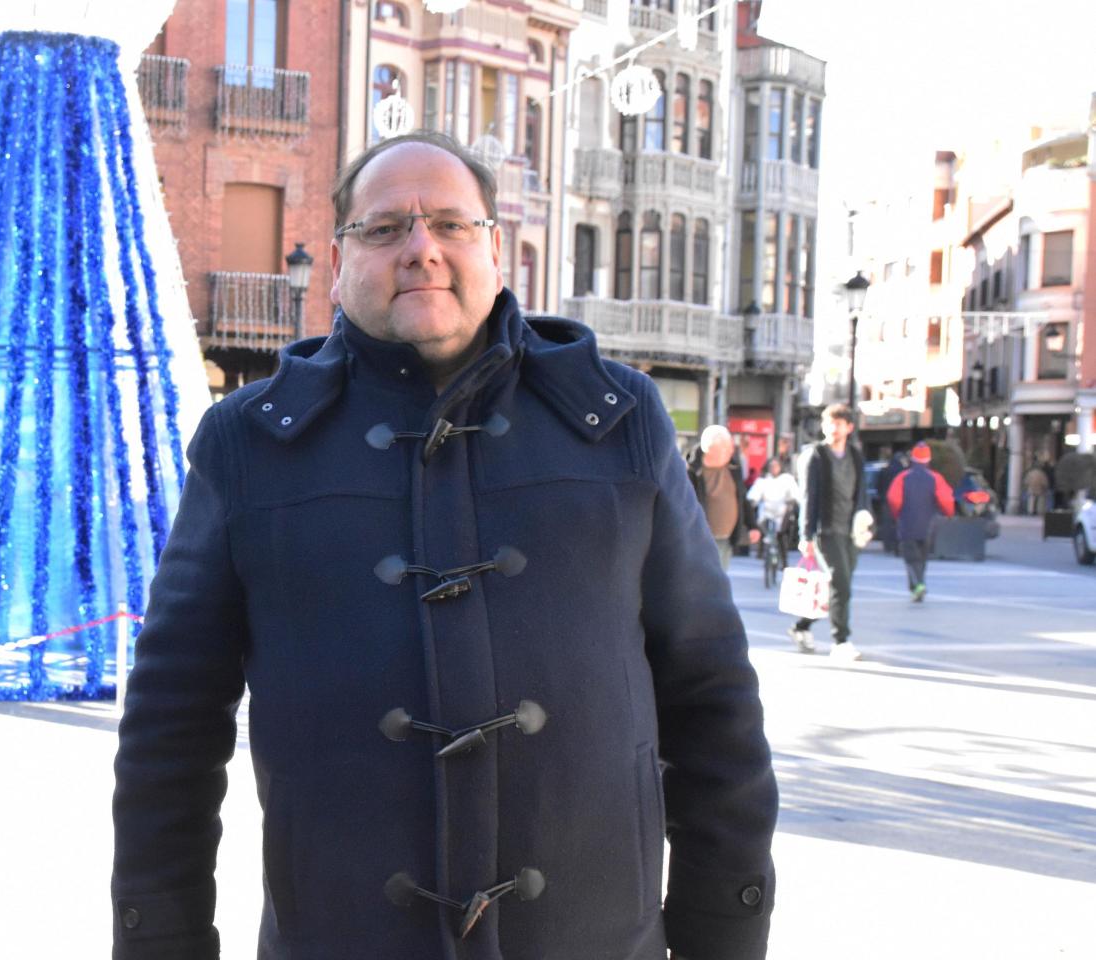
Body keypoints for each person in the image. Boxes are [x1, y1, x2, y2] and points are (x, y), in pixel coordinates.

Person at [112, 132, 777, 960]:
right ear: (335, 259)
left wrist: (726, 936)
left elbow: (712, 703)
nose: (421, 249)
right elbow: (171, 725)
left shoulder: (619, 422)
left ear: (495, 246)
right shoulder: (249, 446)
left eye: (450, 225)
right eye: (385, 228)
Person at [787, 404, 866, 660]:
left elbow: (862, 493)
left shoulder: (855, 455)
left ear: (849, 428)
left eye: (840, 423)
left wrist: (866, 522)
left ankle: (801, 627)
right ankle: (840, 641)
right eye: (830, 423)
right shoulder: (816, 456)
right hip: (826, 530)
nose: (834, 428)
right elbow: (809, 497)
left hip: (850, 531)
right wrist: (806, 535)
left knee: (835, 586)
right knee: (841, 584)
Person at [887, 442, 955, 601]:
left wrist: (897, 515)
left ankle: (917, 585)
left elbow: (893, 498)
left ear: (913, 459)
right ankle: (920, 584)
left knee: (911, 558)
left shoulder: (902, 478)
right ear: (928, 460)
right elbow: (946, 499)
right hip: (928, 524)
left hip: (907, 523)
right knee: (923, 558)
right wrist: (948, 513)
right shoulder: (936, 478)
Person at [688, 424, 760, 570]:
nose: (731, 452)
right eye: (726, 449)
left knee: (719, 582)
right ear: (710, 450)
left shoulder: (733, 467)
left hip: (727, 539)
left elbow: (742, 498)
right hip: (700, 540)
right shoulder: (691, 472)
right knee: (703, 584)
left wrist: (753, 526)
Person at [747, 455, 801, 561]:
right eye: (772, 466)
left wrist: (793, 500)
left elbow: (795, 494)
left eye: (776, 466)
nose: (774, 468)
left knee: (782, 534)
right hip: (767, 510)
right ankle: (761, 550)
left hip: (782, 511)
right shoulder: (763, 480)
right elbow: (754, 494)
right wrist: (753, 500)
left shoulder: (787, 479)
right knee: (763, 526)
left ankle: (784, 560)